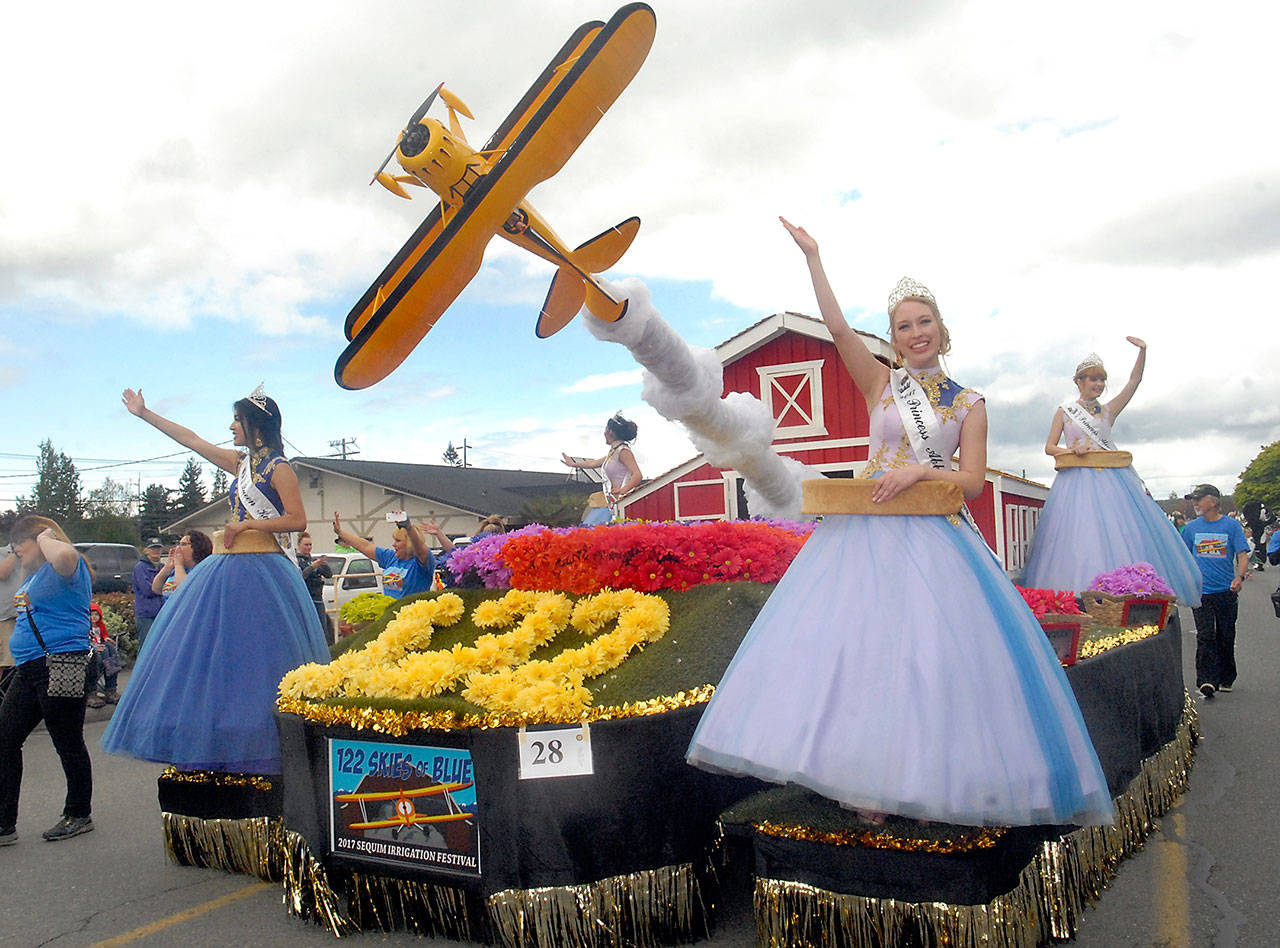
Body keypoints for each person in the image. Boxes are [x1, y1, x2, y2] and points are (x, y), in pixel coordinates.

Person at [686, 219, 1113, 828]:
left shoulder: (969, 403)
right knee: (855, 653)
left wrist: (917, 474)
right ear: (893, 337)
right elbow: (835, 328)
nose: (915, 334)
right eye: (903, 326)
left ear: (943, 330)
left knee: (927, 660)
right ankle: (861, 776)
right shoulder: (881, 383)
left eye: (924, 323)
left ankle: (929, 776)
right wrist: (814, 258)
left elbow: (969, 481)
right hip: (861, 537)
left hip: (934, 539)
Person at [103, 385, 330, 774]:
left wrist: (247, 523)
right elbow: (192, 440)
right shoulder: (242, 464)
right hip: (229, 568)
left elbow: (297, 520)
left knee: (263, 660)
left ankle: (268, 743)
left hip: (265, 570)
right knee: (218, 657)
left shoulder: (281, 468)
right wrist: (145, 414)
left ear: (255, 426)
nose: (230, 427)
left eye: (236, 420)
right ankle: (221, 737)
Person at [1022, 344, 1202, 606]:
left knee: (1119, 536)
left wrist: (1142, 351)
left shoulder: (1108, 411)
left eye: (1102, 380)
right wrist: (1072, 449)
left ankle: (1122, 597)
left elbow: (1134, 381)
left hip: (1111, 482)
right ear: (1080, 381)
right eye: (1094, 379)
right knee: (1077, 537)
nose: (1099, 384)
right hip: (1074, 483)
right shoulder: (1065, 411)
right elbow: (1049, 447)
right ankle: (1080, 601)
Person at [0, 515, 95, 844]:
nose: (15, 551)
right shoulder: (38, 574)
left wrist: (44, 537)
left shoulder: (67, 565)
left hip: (64, 661)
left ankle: (78, 813)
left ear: (39, 540)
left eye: (19, 545)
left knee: (67, 741)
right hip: (30, 668)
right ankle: (3, 823)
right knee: (5, 738)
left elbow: (66, 556)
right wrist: (28, 558)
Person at [1181, 484, 1250, 700]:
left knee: (1225, 634)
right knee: (1205, 635)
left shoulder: (1231, 526)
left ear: (1213, 501)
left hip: (1225, 590)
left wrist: (1239, 577)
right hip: (1201, 592)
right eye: (1194, 500)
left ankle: (1226, 677)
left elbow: (1242, 553)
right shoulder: (1191, 528)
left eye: (1199, 499)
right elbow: (1182, 556)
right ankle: (1206, 680)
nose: (1195, 504)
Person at [561, 414, 643, 525]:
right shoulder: (613, 453)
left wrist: (623, 490)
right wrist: (573, 464)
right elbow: (594, 463)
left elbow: (637, 475)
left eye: (605, 429)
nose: (604, 433)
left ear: (610, 432)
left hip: (622, 503)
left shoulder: (624, 452)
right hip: (612, 503)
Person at [332, 513, 435, 600]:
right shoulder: (391, 557)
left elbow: (419, 546)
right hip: (390, 615)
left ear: (409, 543)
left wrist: (408, 527)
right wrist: (340, 533)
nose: (394, 544)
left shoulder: (420, 562)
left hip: (412, 617)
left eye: (398, 541)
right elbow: (365, 546)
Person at [150, 531, 213, 601]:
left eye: (183, 544)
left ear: (196, 547)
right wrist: (167, 568)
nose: (178, 548)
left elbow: (185, 590)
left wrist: (178, 565)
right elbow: (156, 589)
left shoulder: (202, 570)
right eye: (178, 544)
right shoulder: (176, 571)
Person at [0, 516, 22, 697]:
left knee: (17, 662)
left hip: (22, 616)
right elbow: (3, 572)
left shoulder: (29, 555)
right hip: (4, 618)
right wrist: (14, 553)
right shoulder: (5, 553)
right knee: (4, 661)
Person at [296, 531, 333, 638]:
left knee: (322, 629)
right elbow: (301, 577)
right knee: (307, 629)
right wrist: (312, 567)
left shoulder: (314, 560)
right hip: (306, 598)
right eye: (306, 545)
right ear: (299, 545)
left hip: (318, 598)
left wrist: (324, 565)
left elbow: (329, 575)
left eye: (310, 545)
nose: (308, 547)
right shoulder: (297, 561)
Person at [85, 603, 121, 709]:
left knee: (110, 649)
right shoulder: (85, 627)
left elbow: (103, 635)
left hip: (99, 645)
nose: (94, 617)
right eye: (91, 615)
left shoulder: (100, 626)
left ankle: (111, 689)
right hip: (88, 649)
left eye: (96, 614)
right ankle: (91, 692)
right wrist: (94, 646)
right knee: (98, 657)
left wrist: (106, 639)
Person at [131, 539, 165, 648]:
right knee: (146, 646)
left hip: (162, 613)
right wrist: (162, 589)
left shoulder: (163, 567)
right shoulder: (140, 567)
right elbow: (148, 590)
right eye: (153, 548)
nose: (156, 551)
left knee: (161, 645)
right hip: (146, 615)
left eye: (158, 548)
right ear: (146, 550)